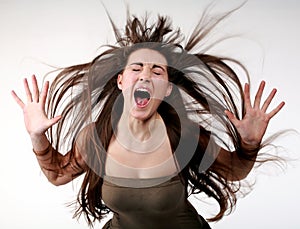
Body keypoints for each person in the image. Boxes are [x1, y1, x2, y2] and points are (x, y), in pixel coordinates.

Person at [11, 7, 285, 229]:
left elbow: (234, 171)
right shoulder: (98, 135)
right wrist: (37, 137)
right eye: (137, 68)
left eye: (157, 71)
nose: (145, 75)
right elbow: (58, 174)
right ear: (121, 81)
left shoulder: (184, 134)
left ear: (166, 89)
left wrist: (249, 145)